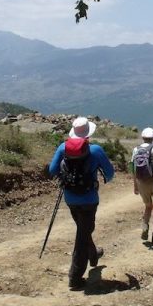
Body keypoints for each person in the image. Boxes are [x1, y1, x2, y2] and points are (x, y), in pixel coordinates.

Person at [48, 116, 115, 290]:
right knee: (82, 234)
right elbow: (110, 173)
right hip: (89, 198)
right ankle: (75, 277)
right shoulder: (95, 150)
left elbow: (52, 170)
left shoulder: (63, 148)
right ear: (88, 133)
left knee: (83, 230)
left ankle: (93, 254)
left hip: (70, 198)